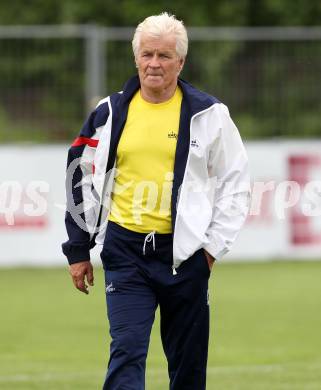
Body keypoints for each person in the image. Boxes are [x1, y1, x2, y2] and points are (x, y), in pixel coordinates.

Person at [62, 12, 250, 390]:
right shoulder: (109, 112)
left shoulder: (209, 115)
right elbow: (78, 175)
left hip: (185, 260)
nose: (154, 64)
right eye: (147, 54)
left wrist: (210, 250)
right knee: (127, 353)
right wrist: (78, 248)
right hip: (125, 251)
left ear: (181, 62)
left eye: (165, 56)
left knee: (188, 368)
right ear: (136, 58)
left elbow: (237, 183)